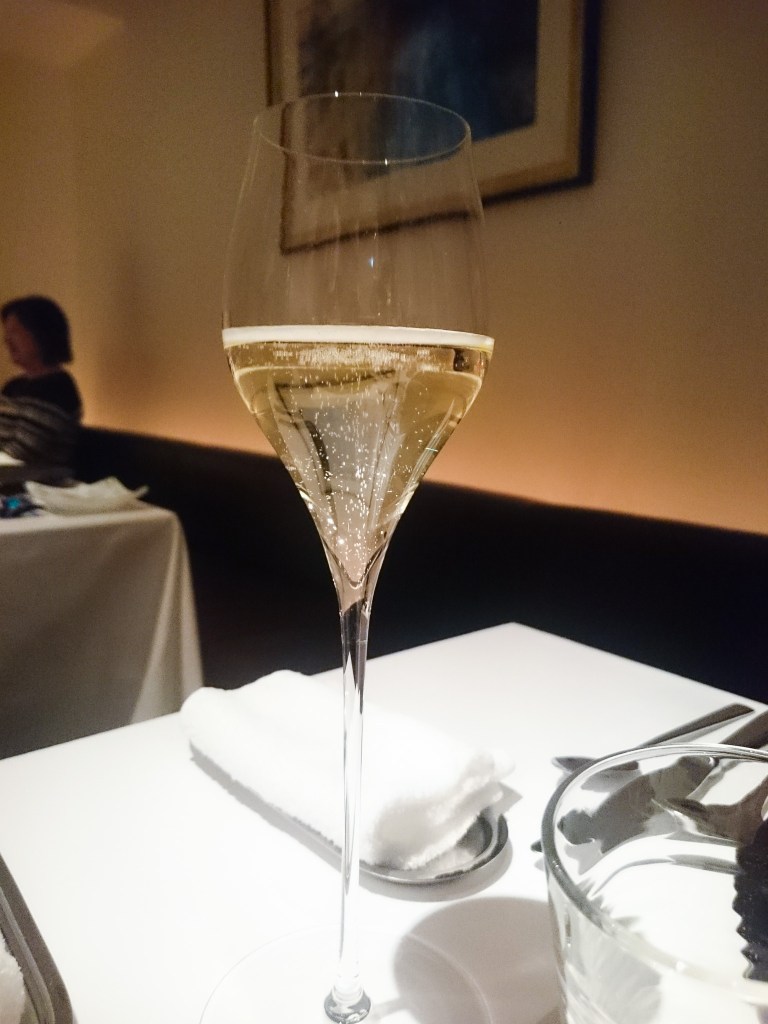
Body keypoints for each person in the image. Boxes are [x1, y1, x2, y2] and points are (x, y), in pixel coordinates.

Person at [0, 295, 83, 468]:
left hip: (37, 481)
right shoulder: (13, 386)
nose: (7, 340)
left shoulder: (57, 388)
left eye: (14, 332)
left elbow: (21, 453)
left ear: (41, 334)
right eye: (6, 332)